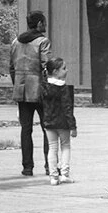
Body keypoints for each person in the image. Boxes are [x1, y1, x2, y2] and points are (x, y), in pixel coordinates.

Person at [9, 12, 49, 178]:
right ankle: (50, 165)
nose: (45, 26)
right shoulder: (42, 41)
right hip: (39, 89)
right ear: (39, 24)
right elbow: (46, 66)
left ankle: (27, 167)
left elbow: (11, 67)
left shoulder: (16, 41)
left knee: (26, 129)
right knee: (48, 128)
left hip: (21, 89)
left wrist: (17, 83)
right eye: (44, 22)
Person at [38, 56, 78, 184]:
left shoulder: (44, 87)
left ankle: (53, 176)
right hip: (63, 123)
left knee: (52, 148)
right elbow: (67, 108)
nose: (67, 70)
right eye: (64, 68)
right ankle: (64, 174)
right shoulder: (64, 88)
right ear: (56, 71)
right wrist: (73, 126)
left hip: (48, 122)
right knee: (65, 147)